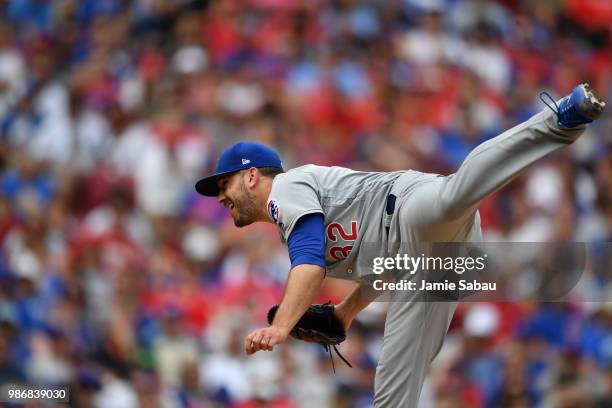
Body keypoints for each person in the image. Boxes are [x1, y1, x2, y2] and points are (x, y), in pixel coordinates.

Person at [195, 84, 606, 406]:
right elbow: (383, 261)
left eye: (224, 184)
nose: (220, 197)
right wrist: (346, 312)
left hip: (410, 206)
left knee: (454, 196)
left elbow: (309, 264)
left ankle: (559, 121)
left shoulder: (284, 189)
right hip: (420, 262)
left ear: (252, 177)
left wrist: (281, 326)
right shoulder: (297, 223)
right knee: (393, 391)